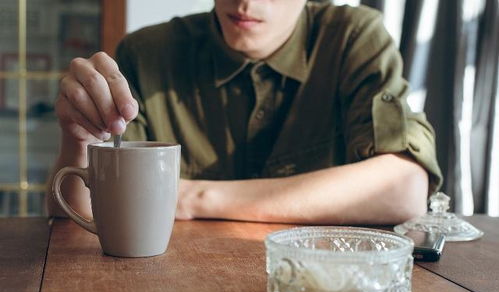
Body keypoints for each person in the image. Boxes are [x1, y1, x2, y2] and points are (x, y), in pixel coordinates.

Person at [47, 0, 442, 224]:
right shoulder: (148, 54)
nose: (245, 3)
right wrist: (79, 141)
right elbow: (87, 219)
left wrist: (191, 198)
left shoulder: (352, 38)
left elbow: (403, 189)